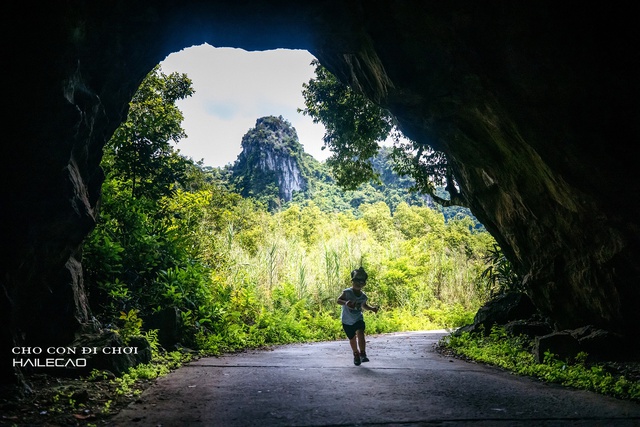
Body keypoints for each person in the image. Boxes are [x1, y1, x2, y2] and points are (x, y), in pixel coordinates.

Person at [337, 267, 379, 366]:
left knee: (360, 333)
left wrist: (372, 309)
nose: (358, 284)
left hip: (358, 319)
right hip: (347, 320)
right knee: (352, 339)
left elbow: (363, 306)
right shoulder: (347, 292)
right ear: (352, 282)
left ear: (363, 284)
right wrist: (346, 303)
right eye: (356, 282)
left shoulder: (363, 296)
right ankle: (356, 354)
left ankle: (363, 354)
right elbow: (338, 300)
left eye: (361, 282)